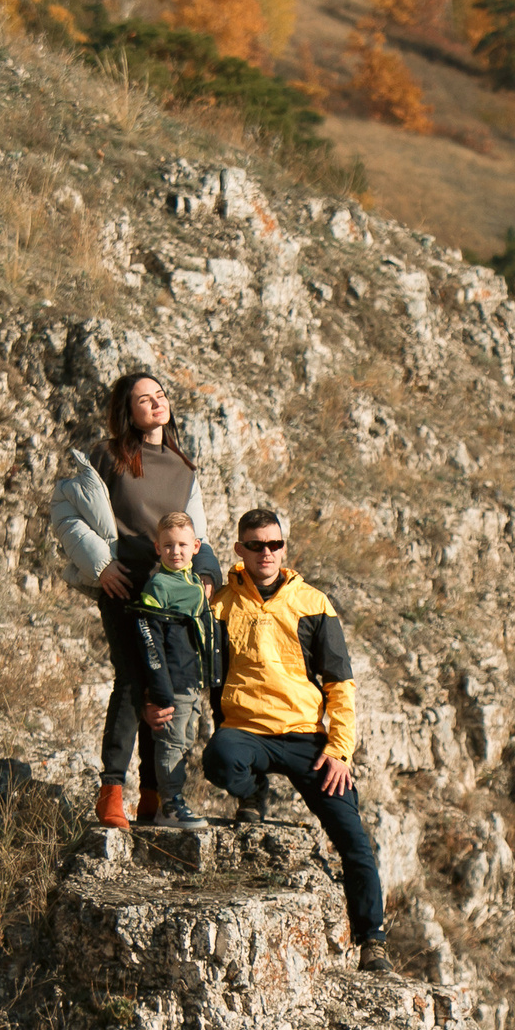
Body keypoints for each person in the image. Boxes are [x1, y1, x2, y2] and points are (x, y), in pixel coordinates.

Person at [203, 506, 391, 973]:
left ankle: (373, 939)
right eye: (256, 545)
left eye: (274, 544)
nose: (266, 553)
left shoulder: (314, 602)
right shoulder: (221, 605)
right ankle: (253, 791)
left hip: (307, 737)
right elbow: (210, 681)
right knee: (220, 761)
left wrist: (339, 750)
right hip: (246, 729)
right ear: (239, 549)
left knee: (353, 838)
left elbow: (340, 684)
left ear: (284, 547)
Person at [49, 371, 225, 829]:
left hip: (171, 596)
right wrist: (99, 566)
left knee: (164, 692)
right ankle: (111, 794)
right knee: (131, 684)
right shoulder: (107, 456)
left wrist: (206, 577)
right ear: (127, 410)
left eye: (160, 396)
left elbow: (199, 536)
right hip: (125, 588)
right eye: (143, 399)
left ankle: (153, 797)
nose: (155, 404)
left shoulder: (183, 466)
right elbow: (66, 510)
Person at [127, 512, 222, 831]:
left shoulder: (195, 581)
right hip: (174, 681)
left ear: (196, 547)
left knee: (184, 741)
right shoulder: (159, 585)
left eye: (182, 545)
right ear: (157, 548)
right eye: (168, 546)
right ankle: (169, 805)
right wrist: (160, 688)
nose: (175, 551)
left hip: (193, 680)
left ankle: (175, 799)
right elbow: (148, 637)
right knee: (172, 743)